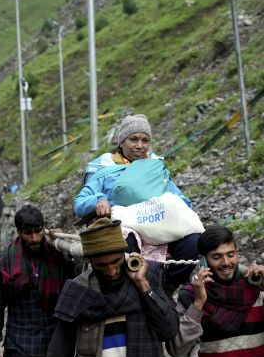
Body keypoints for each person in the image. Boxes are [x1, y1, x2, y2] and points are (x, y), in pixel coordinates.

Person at [74, 114, 199, 291]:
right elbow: (80, 202)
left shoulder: (155, 167)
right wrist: (99, 200)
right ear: (122, 141)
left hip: (158, 222)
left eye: (145, 140)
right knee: (126, 240)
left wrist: (176, 205)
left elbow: (181, 199)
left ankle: (167, 288)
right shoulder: (105, 168)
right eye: (133, 139)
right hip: (124, 226)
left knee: (193, 241)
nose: (140, 146)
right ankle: (133, 288)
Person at [45, 217, 179, 357]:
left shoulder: (149, 278)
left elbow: (169, 330)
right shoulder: (78, 291)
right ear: (90, 261)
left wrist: (143, 286)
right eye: (102, 265)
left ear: (124, 254)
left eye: (116, 261)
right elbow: (59, 353)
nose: (111, 271)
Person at [0, 205, 75, 357]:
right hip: (20, 343)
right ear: (19, 232)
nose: (34, 238)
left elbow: (77, 283)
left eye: (38, 231)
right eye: (28, 233)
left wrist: (65, 244)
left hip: (53, 343)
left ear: (44, 228)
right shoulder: (7, 261)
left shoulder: (58, 255)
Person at [167, 226, 264, 357]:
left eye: (230, 254)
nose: (225, 262)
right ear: (204, 260)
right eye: (216, 257)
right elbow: (176, 350)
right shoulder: (192, 294)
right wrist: (198, 303)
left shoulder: (256, 284)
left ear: (237, 253)